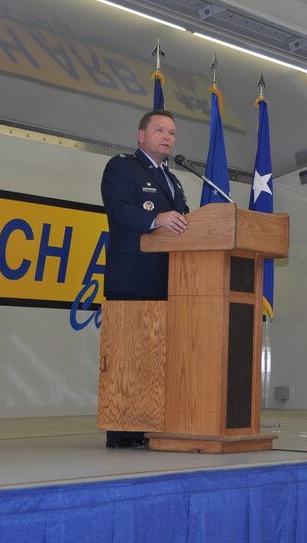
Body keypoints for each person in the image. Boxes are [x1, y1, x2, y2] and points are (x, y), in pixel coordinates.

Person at [100, 109, 189, 447]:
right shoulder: (122, 167)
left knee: (153, 360)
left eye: (172, 133)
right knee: (129, 359)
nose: (167, 137)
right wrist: (157, 219)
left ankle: (147, 426)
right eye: (160, 130)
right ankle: (123, 432)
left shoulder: (173, 180)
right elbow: (119, 209)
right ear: (141, 136)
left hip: (167, 281)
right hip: (132, 278)